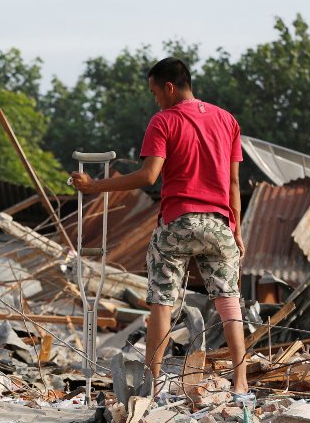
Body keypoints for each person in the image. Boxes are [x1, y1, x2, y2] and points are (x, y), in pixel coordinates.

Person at [70, 57, 251, 402]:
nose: (155, 99)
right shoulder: (227, 120)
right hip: (219, 223)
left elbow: (148, 176)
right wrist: (236, 229)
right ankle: (241, 384)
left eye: (155, 92)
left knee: (162, 303)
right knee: (229, 303)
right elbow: (233, 182)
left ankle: (154, 383)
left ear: (169, 87)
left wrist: (95, 187)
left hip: (178, 221)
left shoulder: (163, 121)